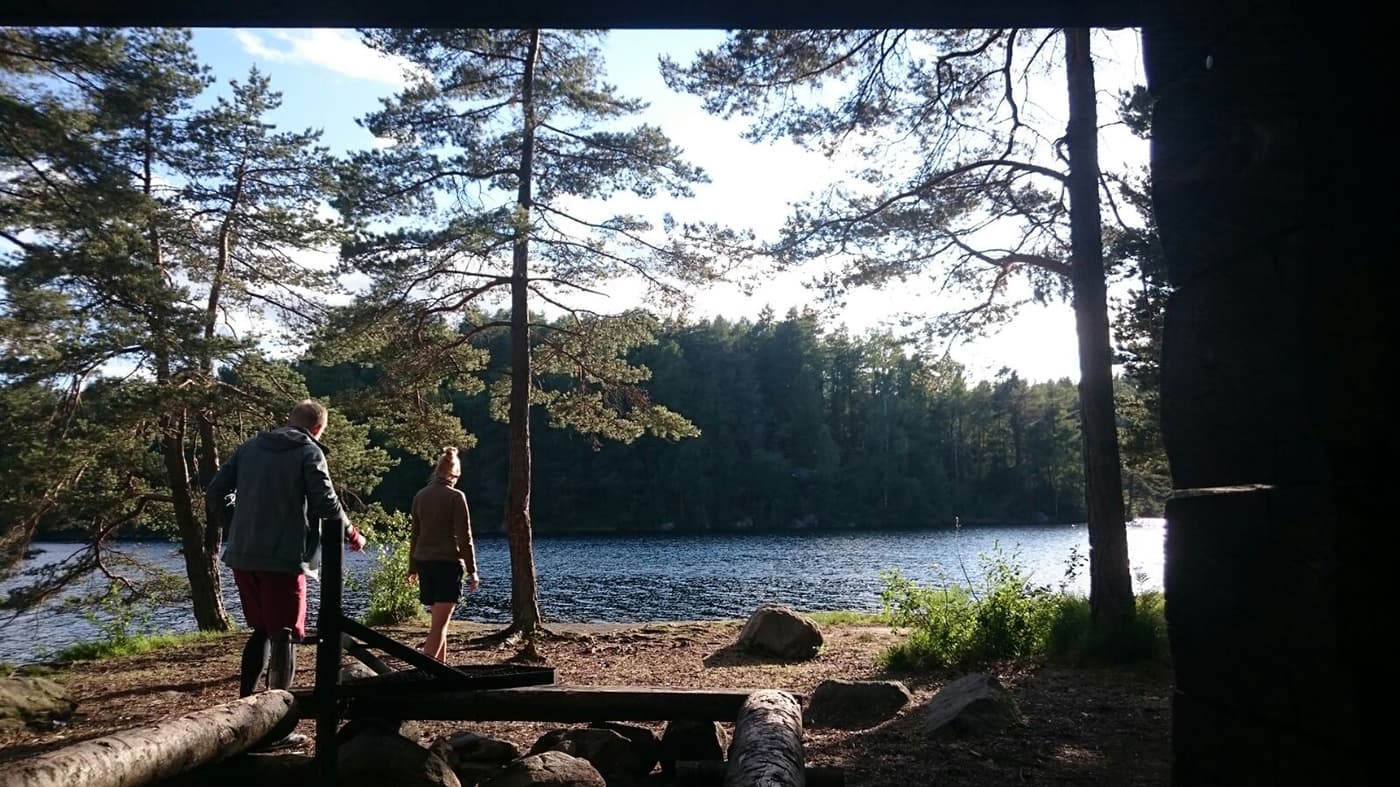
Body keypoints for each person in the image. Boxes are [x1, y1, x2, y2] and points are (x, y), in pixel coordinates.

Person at [207, 399, 366, 708]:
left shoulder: (250, 447)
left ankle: (243, 707)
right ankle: (277, 719)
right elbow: (327, 504)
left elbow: (215, 491)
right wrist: (352, 533)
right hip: (283, 558)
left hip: (243, 554)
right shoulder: (309, 451)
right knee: (285, 635)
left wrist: (236, 522)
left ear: (289, 421)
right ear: (317, 428)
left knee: (262, 630)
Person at [407, 446, 479, 662]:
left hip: (424, 563)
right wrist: (472, 570)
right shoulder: (456, 497)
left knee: (439, 623)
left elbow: (415, 535)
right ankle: (423, 671)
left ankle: (441, 670)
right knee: (439, 625)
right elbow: (464, 537)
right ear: (454, 474)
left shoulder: (420, 496)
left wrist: (412, 568)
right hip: (447, 565)